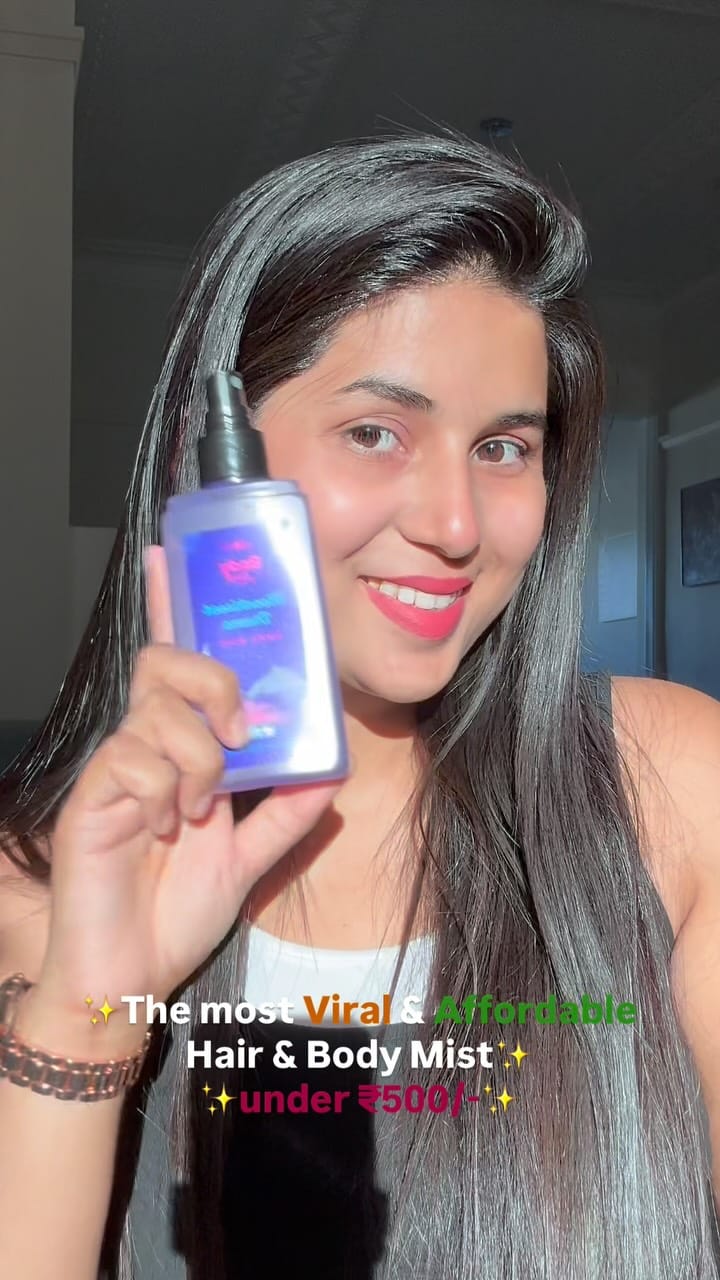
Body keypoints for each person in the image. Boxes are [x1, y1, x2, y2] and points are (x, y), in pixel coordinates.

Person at [0, 130, 719, 1280]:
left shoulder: (669, 784)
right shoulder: (36, 890)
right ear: (218, 457)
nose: (456, 523)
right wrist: (91, 1012)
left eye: (503, 446)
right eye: (376, 432)